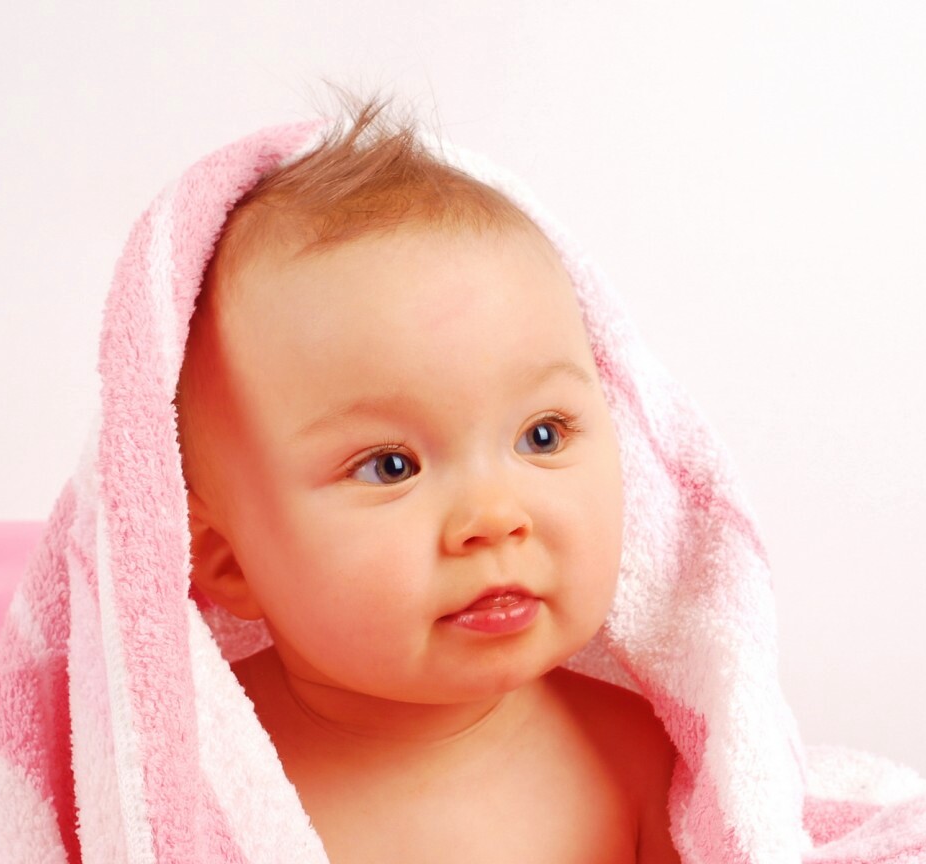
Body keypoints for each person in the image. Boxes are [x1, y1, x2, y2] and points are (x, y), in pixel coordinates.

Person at [173, 101, 682, 863]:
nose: (495, 516)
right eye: (391, 465)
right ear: (228, 560)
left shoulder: (637, 758)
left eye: (541, 436)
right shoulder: (194, 779)